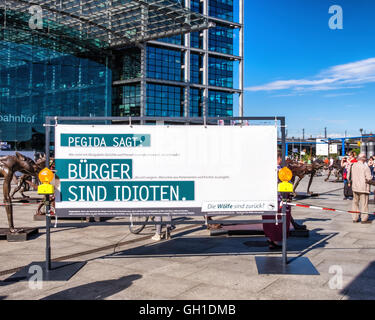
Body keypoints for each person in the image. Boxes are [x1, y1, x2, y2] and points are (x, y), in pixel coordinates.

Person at [262, 153, 292, 250]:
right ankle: (275, 240)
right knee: (278, 221)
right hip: (279, 199)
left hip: (267, 199)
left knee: (268, 219)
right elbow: (288, 184)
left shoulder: (266, 170)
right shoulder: (282, 171)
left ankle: (270, 238)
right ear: (279, 159)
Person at [347, 153, 372, 224]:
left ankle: (355, 218)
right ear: (363, 159)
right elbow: (369, 178)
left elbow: (348, 176)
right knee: (364, 204)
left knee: (355, 203)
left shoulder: (352, 165)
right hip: (363, 188)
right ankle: (364, 219)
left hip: (355, 187)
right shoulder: (365, 167)